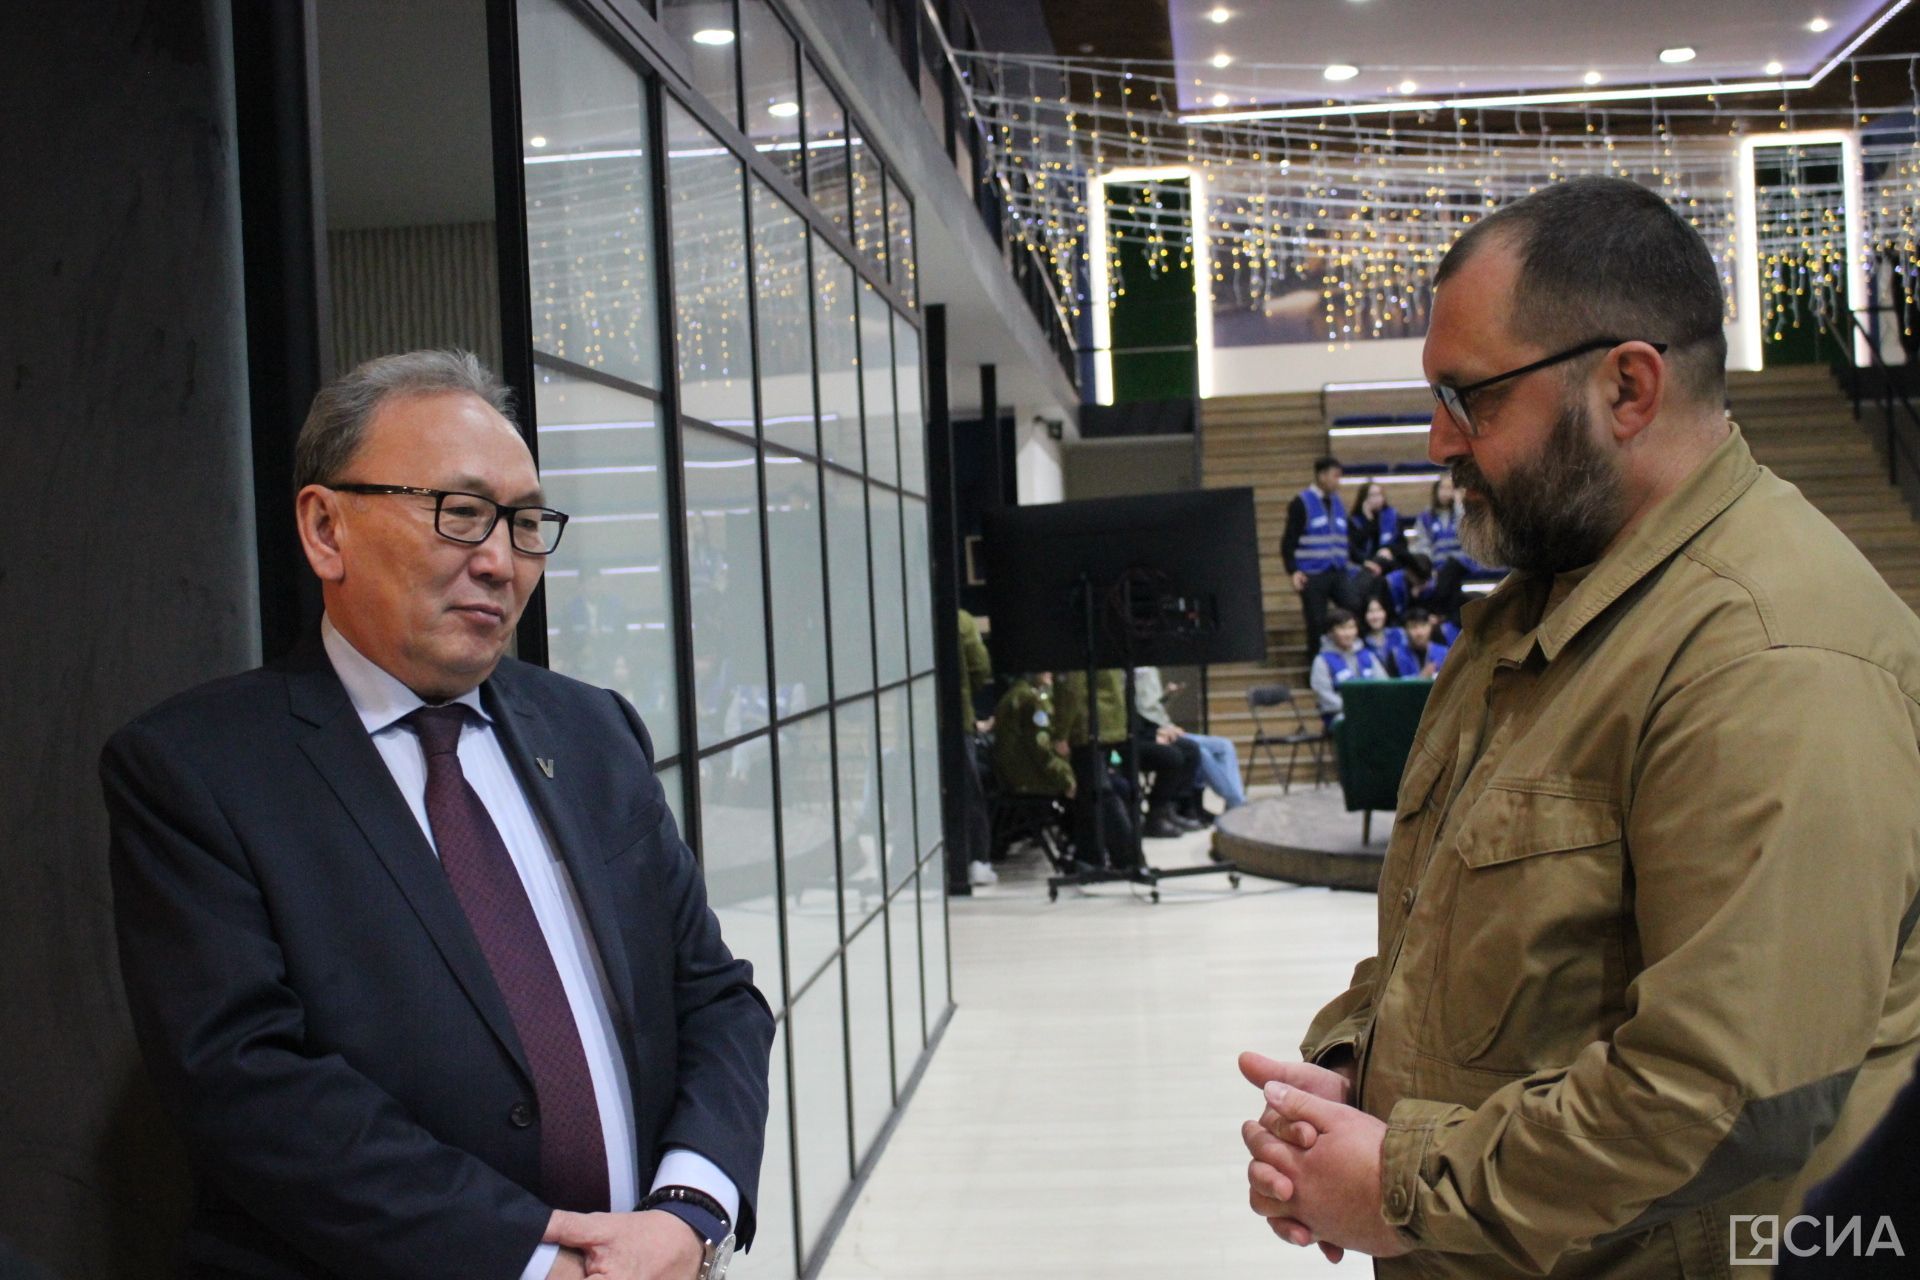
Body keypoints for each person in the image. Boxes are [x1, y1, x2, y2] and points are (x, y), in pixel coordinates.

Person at [1237, 177, 1920, 1278]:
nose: (1438, 440)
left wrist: (1404, 1182)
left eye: (1469, 398)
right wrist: (1358, 1074)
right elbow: (1470, 938)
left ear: (1628, 387)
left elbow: (1723, 1094)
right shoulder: (1545, 604)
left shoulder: (1770, 655)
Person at [103, 351, 776, 1280]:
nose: (500, 562)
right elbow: (246, 1084)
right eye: (460, 513)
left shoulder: (592, 731)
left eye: (526, 524)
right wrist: (535, 1260)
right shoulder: (198, 770)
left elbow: (716, 997)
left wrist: (691, 1209)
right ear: (326, 528)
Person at [1133, 666, 1247, 817]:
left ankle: (1235, 803)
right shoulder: (1133, 673)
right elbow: (1138, 715)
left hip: (1165, 726)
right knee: (1200, 751)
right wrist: (1158, 731)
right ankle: (1237, 804)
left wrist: (1167, 697)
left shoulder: (1152, 669)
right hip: (1151, 732)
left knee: (1225, 745)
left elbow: (1153, 709)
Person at [1281, 456, 1364, 658]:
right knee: (1316, 622)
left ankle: (1354, 658)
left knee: (1354, 605)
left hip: (1337, 570)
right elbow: (1288, 541)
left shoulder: (1338, 502)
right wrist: (1293, 570)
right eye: (1335, 476)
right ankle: (1316, 665)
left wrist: (1362, 560)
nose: (1338, 481)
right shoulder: (1301, 502)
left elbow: (1344, 539)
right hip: (1312, 573)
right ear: (1322, 476)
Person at [955, 610, 997, 887]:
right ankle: (976, 860)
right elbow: (980, 667)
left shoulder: (908, 613)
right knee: (968, 791)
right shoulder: (961, 620)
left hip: (917, 721)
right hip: (957, 716)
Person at [1306, 608, 1386, 726]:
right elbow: (1323, 694)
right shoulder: (1322, 660)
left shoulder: (1368, 655)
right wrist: (1354, 708)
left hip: (1372, 712)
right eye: (1342, 628)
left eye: (1351, 627)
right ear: (1331, 632)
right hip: (1340, 715)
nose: (1348, 633)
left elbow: (1384, 684)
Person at [1347, 480, 1408, 571]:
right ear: (1364, 499)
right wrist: (1368, 519)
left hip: (1390, 562)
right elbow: (1355, 549)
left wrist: (1389, 550)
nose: (1378, 498)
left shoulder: (1392, 517)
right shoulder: (1354, 522)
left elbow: (1402, 545)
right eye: (1373, 495)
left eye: (1380, 494)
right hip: (1366, 564)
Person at [1385, 607, 1448, 678]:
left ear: (1430, 627)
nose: (1419, 632)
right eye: (1413, 627)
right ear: (1405, 630)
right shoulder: (1395, 655)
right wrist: (1421, 677)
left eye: (1423, 625)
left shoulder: (1445, 653)